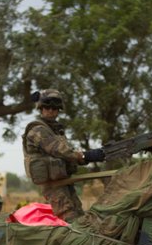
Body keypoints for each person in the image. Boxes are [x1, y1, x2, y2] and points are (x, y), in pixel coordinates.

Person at [22, 88, 105, 222]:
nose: (51, 111)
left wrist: (94, 155)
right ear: (41, 108)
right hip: (53, 186)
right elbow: (59, 150)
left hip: (63, 181)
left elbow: (66, 155)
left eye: (55, 108)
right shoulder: (37, 130)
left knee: (80, 217)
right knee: (70, 219)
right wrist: (85, 156)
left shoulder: (56, 131)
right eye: (47, 107)